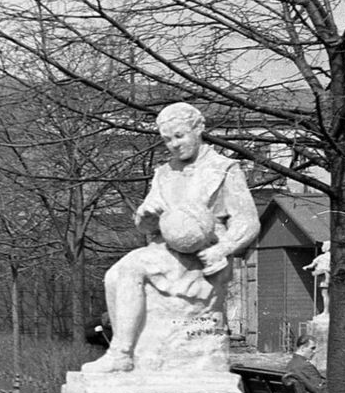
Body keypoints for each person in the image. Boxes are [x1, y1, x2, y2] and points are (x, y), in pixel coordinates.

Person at [82, 102, 260, 373]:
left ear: (198, 129)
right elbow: (146, 223)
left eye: (180, 136)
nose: (174, 144)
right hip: (166, 251)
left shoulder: (224, 169)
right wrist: (146, 218)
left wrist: (223, 249)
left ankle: (121, 352)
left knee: (130, 268)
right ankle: (126, 350)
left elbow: (248, 220)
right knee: (112, 277)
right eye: (167, 140)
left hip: (204, 257)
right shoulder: (164, 174)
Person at [303, 241, 332, 315]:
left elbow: (311, 265)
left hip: (323, 277)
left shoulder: (321, 257)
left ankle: (326, 311)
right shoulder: (334, 257)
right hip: (331, 277)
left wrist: (305, 267)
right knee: (329, 294)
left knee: (325, 294)